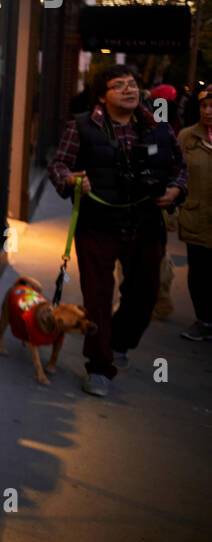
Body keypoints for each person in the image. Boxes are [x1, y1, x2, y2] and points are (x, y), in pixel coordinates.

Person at [49, 63, 187, 397]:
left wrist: (175, 191)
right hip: (98, 224)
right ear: (101, 95)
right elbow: (59, 165)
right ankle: (99, 367)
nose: (129, 90)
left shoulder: (158, 127)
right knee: (97, 298)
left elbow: (178, 167)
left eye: (132, 84)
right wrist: (70, 179)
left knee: (145, 294)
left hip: (146, 223)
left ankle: (119, 341)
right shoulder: (81, 126)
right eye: (118, 85)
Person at [177, 86, 212, 341]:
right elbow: (175, 172)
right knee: (199, 270)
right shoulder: (187, 137)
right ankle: (204, 320)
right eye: (204, 106)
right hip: (196, 214)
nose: (208, 111)